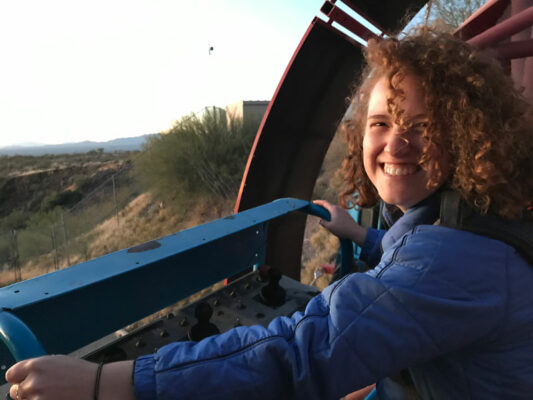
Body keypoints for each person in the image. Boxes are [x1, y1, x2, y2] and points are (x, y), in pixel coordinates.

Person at [5, 28, 533, 400]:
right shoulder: (472, 219)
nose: (395, 143)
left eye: (422, 126)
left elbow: (303, 352)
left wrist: (107, 383)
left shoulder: (453, 259)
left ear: (469, 137)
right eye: (380, 123)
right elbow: (419, 276)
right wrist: (362, 238)